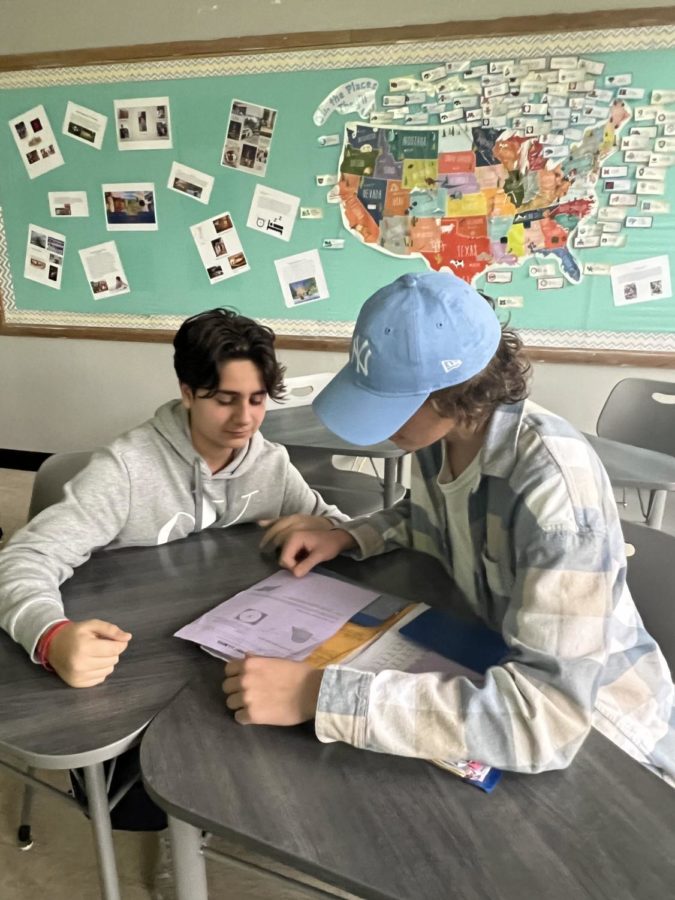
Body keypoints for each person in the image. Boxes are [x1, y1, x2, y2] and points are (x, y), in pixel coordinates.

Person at [223, 271, 675, 788]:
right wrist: (350, 535)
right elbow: (434, 519)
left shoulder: (554, 495)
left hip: (612, 743)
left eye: (394, 404)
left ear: (457, 392)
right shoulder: (443, 436)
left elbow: (548, 720)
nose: (383, 426)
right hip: (499, 664)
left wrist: (320, 695)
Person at [0, 307, 347, 687]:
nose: (244, 419)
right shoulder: (125, 470)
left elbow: (335, 525)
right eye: (224, 399)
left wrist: (328, 527)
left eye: (257, 399)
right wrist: (50, 635)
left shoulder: (271, 463)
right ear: (187, 393)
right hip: (131, 650)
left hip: (223, 644)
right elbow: (25, 559)